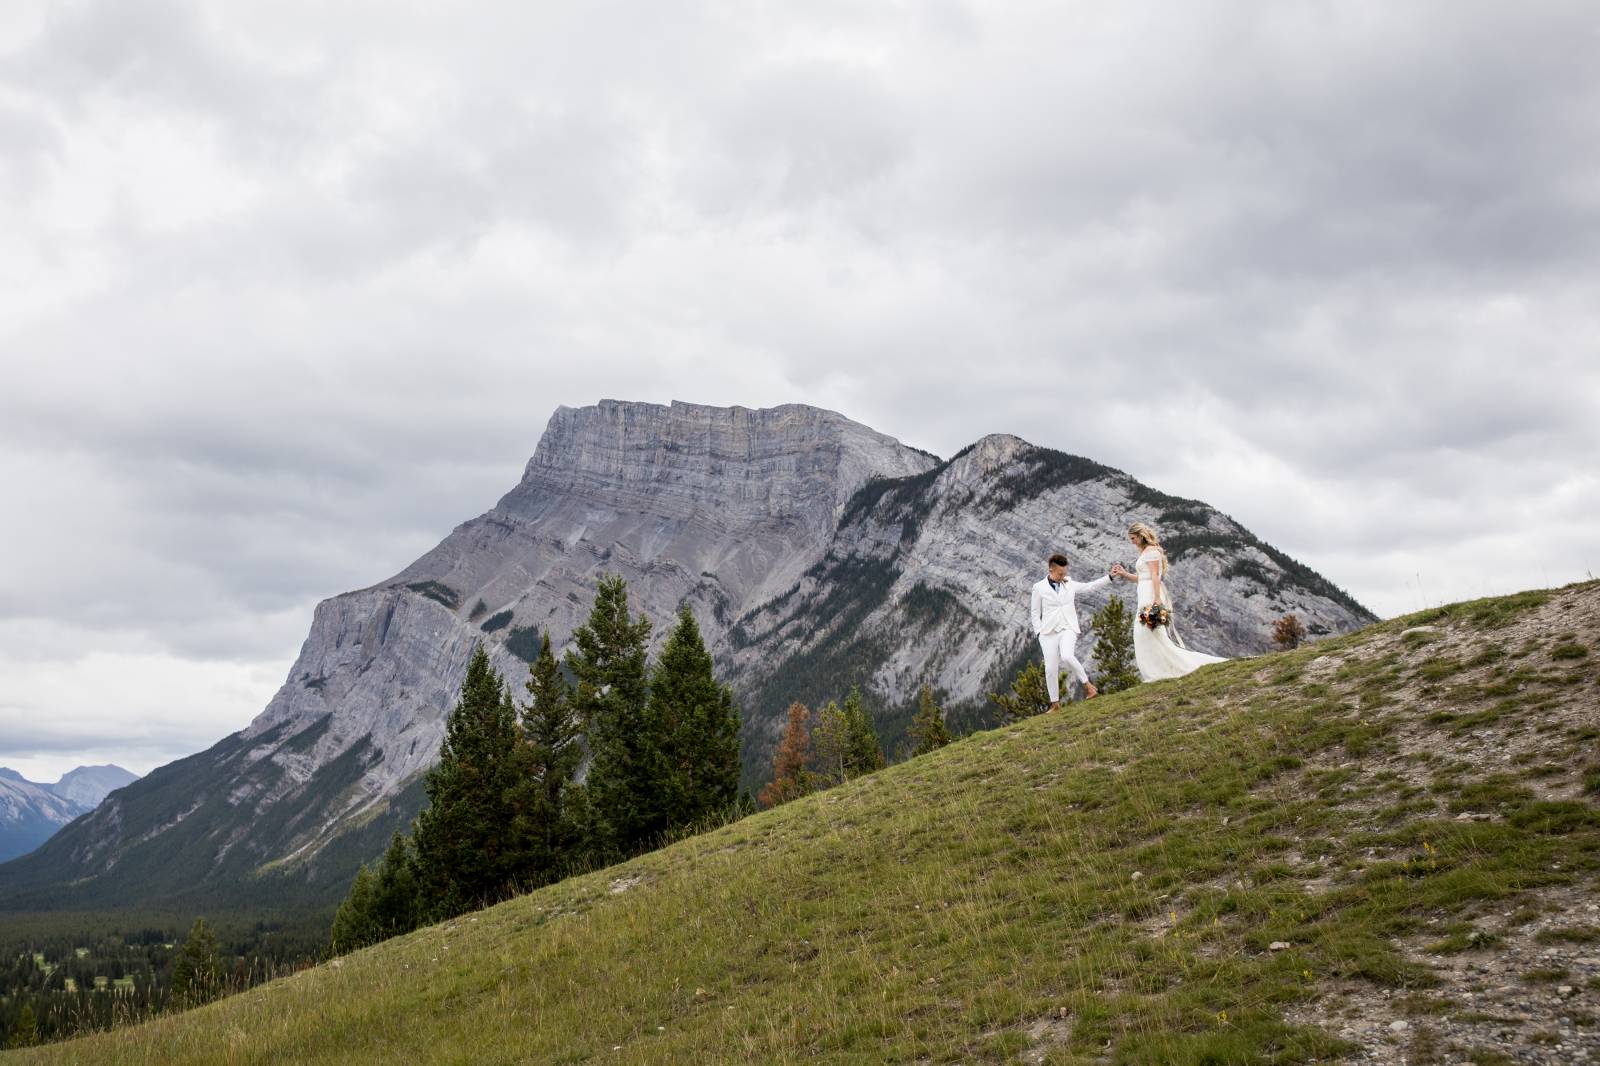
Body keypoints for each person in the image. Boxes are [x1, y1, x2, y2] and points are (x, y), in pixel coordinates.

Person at [1110, 522, 1226, 681]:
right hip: (1144, 593)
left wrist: (1157, 599)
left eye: (1133, 538)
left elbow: (1155, 576)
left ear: (1140, 535)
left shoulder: (1152, 552)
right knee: (1145, 634)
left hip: (1151, 595)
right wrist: (1124, 574)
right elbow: (1143, 578)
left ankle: (1165, 670)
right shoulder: (1144, 552)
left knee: (1147, 632)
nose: (1132, 541)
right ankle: (1159, 670)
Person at [1029, 552, 1113, 711]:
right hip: (1047, 632)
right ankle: (1055, 704)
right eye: (1060, 573)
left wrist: (1109, 577)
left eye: (1064, 573)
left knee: (1067, 656)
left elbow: (1089, 586)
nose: (1063, 576)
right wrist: (1039, 633)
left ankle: (1089, 687)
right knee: (1050, 669)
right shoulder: (1038, 587)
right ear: (1051, 570)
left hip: (1068, 627)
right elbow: (1034, 612)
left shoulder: (1070, 583)